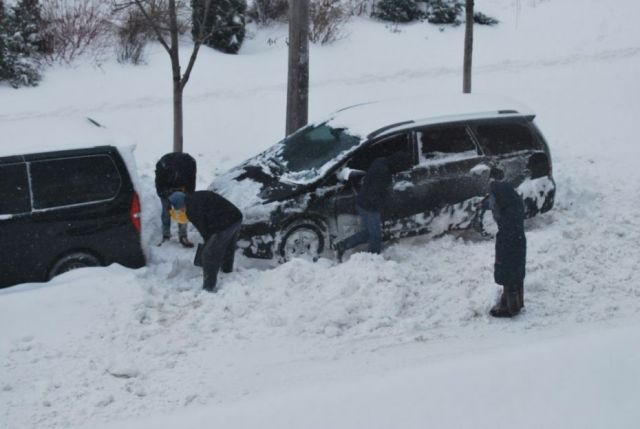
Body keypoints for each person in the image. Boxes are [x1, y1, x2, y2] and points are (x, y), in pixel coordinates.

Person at [334, 151, 412, 262]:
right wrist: (383, 206)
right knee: (376, 236)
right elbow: (379, 193)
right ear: (397, 164)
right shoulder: (384, 173)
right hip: (369, 206)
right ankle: (373, 259)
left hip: (363, 201)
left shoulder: (380, 161)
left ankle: (341, 246)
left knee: (368, 232)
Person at [168, 190, 243, 293]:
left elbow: (205, 231)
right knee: (227, 246)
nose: (181, 211)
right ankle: (227, 272)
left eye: (180, 209)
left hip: (225, 222)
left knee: (209, 254)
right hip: (236, 217)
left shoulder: (191, 210)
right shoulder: (195, 196)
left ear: (181, 204)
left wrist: (208, 247)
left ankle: (208, 287)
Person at [485, 168, 527, 317]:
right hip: (517, 238)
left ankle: (510, 307)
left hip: (508, 239)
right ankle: (517, 301)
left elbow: (497, 209)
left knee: (508, 271)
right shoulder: (512, 201)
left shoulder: (507, 221)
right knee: (516, 272)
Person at [155, 152, 197, 247]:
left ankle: (183, 236)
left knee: (182, 212)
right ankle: (166, 236)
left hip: (181, 191)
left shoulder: (190, 164)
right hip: (165, 189)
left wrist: (188, 195)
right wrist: (164, 194)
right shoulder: (162, 165)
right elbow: (159, 184)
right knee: (166, 213)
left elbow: (192, 181)